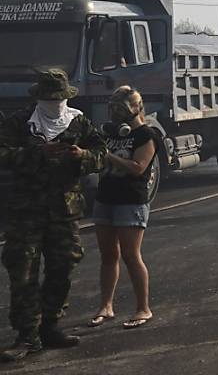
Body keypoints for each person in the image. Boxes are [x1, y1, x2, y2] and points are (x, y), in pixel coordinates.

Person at [0, 69, 106, 362]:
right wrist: (37, 154)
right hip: (26, 211)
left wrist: (81, 156)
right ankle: (27, 335)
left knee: (63, 266)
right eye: (49, 99)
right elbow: (3, 153)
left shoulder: (78, 121)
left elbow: (101, 151)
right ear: (39, 98)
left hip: (64, 210)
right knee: (23, 272)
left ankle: (50, 326)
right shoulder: (20, 123)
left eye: (59, 98)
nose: (55, 104)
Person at [90, 87, 159, 330]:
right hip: (105, 198)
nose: (116, 114)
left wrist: (107, 156)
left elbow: (138, 167)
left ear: (135, 109)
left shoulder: (146, 135)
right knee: (108, 256)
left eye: (121, 109)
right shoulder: (109, 133)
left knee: (131, 255)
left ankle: (143, 308)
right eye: (113, 109)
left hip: (131, 202)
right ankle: (106, 306)